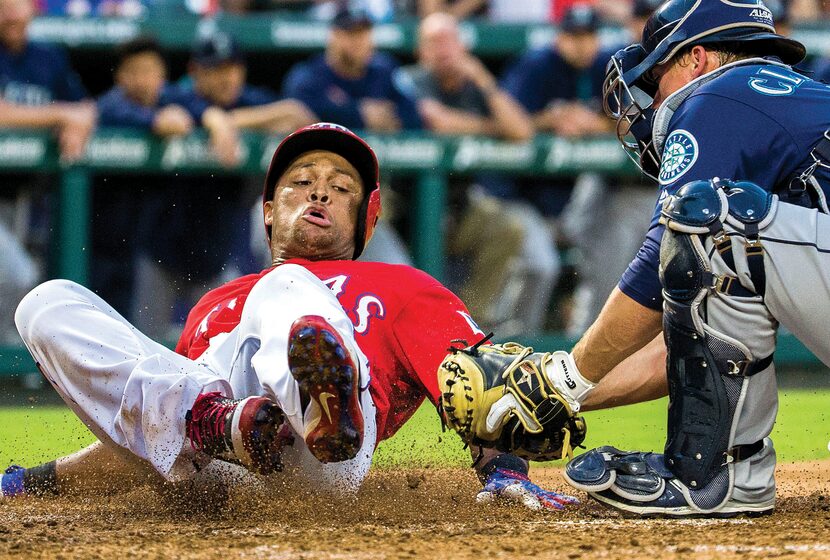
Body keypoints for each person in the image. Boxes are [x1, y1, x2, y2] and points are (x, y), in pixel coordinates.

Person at [2, 123, 576, 512]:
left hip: (325, 459)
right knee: (45, 303)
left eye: (340, 189)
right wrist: (29, 482)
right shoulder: (213, 305)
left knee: (287, 281)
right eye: (300, 184)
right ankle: (225, 423)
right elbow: (158, 426)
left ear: (367, 222)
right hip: (222, 461)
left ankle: (321, 403)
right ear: (270, 213)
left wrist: (506, 474)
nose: (318, 195)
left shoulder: (405, 287)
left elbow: (479, 390)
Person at [534, 0, 830, 517]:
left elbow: (660, 263)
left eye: (657, 77)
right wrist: (551, 399)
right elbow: (689, 348)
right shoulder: (782, 106)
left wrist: (565, 375)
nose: (650, 102)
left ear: (696, 58)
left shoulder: (720, 92)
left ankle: (714, 475)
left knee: (704, 218)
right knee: (718, 233)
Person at [395, 12, 556, 336]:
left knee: (507, 228)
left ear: (463, 46)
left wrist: (484, 80)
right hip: (406, 206)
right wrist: (490, 130)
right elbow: (436, 122)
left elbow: (522, 131)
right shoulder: (408, 80)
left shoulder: (475, 86)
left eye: (449, 40)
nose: (443, 49)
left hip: (459, 203)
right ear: (420, 51)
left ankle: (468, 322)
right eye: (433, 42)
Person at [0, 0, 96, 342]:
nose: (11, 13)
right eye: (3, 6)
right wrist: (61, 115)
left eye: (18, 5)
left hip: (27, 196)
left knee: (29, 285)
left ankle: (14, 376)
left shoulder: (47, 57)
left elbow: (83, 106)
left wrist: (78, 120)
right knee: (19, 278)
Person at [282, 5, 421, 132]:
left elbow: (412, 113)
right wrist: (359, 113)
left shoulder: (384, 70)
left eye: (364, 33)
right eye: (351, 33)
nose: (359, 41)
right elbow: (299, 110)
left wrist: (392, 119)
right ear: (334, 36)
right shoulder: (310, 73)